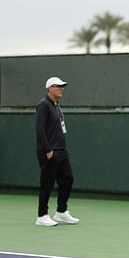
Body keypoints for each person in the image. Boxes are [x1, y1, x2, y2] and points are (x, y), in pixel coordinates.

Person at [35, 76, 79, 226]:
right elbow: (40, 130)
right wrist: (48, 149)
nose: (61, 88)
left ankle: (61, 212)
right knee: (47, 183)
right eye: (58, 86)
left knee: (68, 179)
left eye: (62, 86)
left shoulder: (56, 105)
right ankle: (42, 216)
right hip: (49, 151)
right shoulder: (44, 105)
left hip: (61, 151)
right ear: (49, 89)